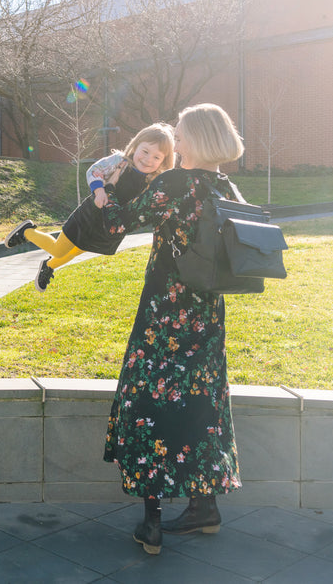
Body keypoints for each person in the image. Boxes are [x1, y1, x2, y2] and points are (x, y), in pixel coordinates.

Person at [100, 103, 244, 555]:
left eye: (180, 137)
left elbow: (117, 224)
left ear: (198, 140)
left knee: (151, 403)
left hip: (165, 313)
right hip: (208, 313)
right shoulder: (226, 186)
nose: (174, 145)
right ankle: (205, 508)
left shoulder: (174, 183)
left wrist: (104, 188)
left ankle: (152, 524)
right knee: (203, 402)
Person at [3, 124, 175, 291]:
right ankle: (26, 232)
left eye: (156, 157)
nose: (148, 160)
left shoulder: (154, 180)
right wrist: (99, 190)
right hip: (91, 215)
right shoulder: (120, 162)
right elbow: (94, 170)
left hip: (109, 226)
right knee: (59, 248)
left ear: (163, 161)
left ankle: (48, 266)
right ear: (136, 146)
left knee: (78, 250)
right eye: (145, 151)